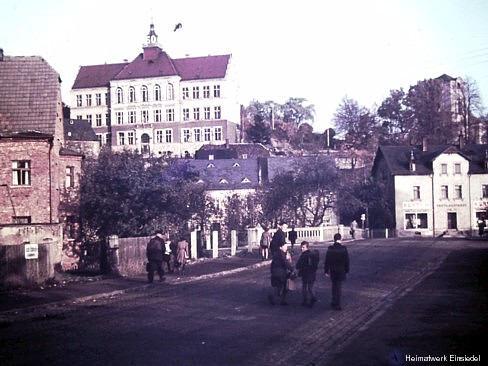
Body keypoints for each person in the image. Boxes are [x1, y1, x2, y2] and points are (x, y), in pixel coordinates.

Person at [324, 233, 349, 310]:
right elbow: (346, 260)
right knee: (338, 286)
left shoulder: (330, 248)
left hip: (333, 270)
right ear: (340, 239)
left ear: (334, 239)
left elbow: (327, 260)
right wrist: (347, 269)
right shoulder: (343, 248)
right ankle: (338, 303)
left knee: (334, 286)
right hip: (341, 269)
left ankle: (334, 301)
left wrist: (326, 270)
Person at [268, 241, 295, 306]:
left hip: (275, 272)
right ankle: (281, 300)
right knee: (285, 287)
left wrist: (272, 272)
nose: (286, 248)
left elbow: (272, 264)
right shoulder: (281, 254)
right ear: (280, 247)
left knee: (278, 287)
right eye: (285, 246)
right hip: (281, 273)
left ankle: (274, 298)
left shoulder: (277, 253)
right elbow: (285, 263)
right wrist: (292, 269)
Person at [295, 241, 319, 307]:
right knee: (310, 287)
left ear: (307, 247)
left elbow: (298, 265)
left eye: (303, 247)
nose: (301, 249)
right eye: (301, 247)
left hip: (305, 273)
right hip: (312, 273)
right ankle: (313, 298)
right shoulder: (312, 254)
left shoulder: (303, 255)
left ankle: (305, 300)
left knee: (304, 287)